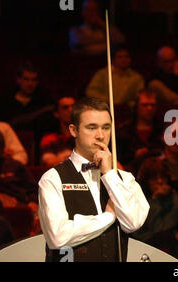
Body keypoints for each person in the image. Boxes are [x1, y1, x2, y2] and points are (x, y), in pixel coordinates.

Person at [38, 97, 149, 262]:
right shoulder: (53, 178)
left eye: (106, 127)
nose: (100, 135)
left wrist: (109, 174)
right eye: (91, 128)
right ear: (73, 130)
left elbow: (132, 223)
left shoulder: (124, 179)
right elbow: (57, 237)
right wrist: (108, 217)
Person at [0, 62, 54, 132]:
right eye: (26, 79)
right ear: (18, 80)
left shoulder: (45, 101)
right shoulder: (5, 101)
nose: (30, 84)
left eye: (33, 80)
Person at [131, 157, 178, 244]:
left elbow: (162, 230)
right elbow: (137, 233)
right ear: (146, 181)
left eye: (163, 177)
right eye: (154, 178)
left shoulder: (172, 196)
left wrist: (156, 199)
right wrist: (154, 200)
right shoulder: (137, 197)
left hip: (164, 244)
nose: (160, 181)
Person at [116, 89, 164, 173]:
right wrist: (135, 155)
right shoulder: (123, 131)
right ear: (136, 106)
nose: (149, 108)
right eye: (144, 105)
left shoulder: (163, 129)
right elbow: (119, 158)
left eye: (152, 105)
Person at [0, 129, 38, 218]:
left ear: (3, 149)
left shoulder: (14, 165)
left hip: (18, 209)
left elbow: (33, 189)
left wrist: (33, 202)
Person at [39, 96, 76, 167]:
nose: (71, 110)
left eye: (73, 107)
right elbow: (49, 162)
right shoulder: (48, 139)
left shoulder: (86, 137)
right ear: (56, 113)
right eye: (65, 107)